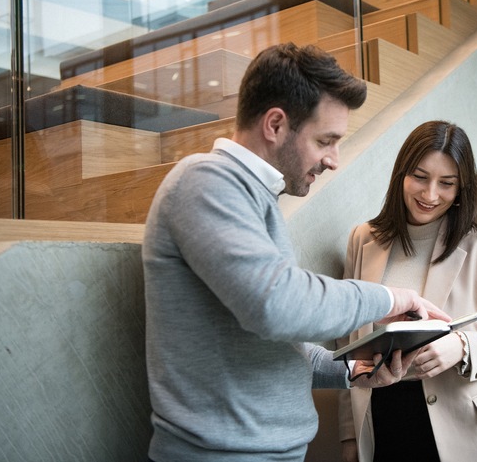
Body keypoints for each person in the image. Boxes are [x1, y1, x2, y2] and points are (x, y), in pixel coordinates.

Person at [142, 43, 450, 462]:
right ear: (275, 124)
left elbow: (274, 337)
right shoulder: (206, 182)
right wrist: (391, 298)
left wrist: (350, 370)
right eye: (326, 140)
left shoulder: (253, 197)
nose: (333, 159)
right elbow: (277, 305)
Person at [337, 120, 477, 462]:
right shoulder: (362, 239)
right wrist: (349, 434)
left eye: (447, 184)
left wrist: (462, 346)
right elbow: (347, 343)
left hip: (465, 427)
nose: (430, 195)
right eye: (420, 177)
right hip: (381, 417)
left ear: (462, 189)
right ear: (401, 174)